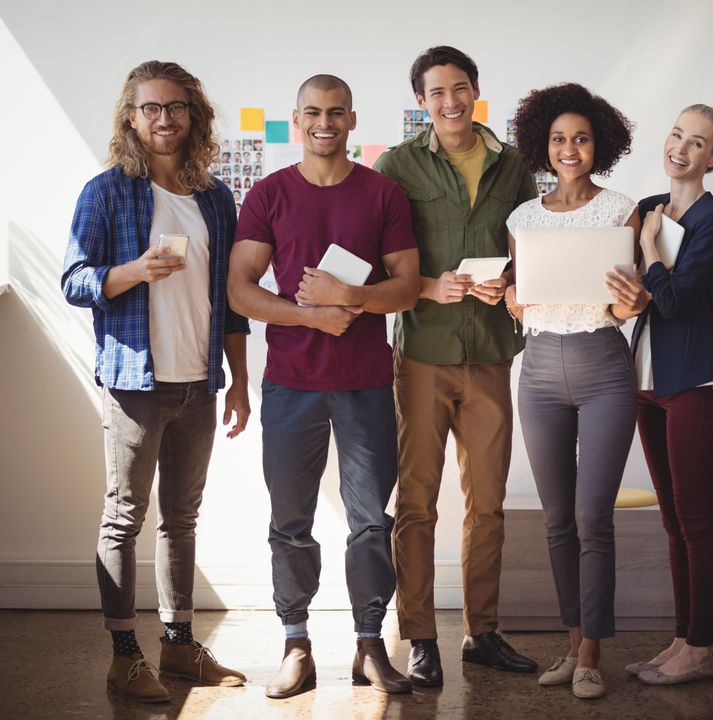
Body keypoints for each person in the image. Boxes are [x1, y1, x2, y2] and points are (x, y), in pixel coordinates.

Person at [61, 60, 250, 703]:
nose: (163, 118)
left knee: (182, 518)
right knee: (124, 518)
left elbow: (227, 301)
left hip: (200, 382)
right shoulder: (106, 192)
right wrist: (134, 270)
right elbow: (75, 282)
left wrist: (240, 379)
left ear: (193, 115)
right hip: (135, 382)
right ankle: (123, 655)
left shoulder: (216, 198)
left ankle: (178, 646)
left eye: (175, 107)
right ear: (131, 118)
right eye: (150, 108)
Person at [227, 74, 420, 698]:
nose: (325, 123)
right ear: (295, 119)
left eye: (337, 113)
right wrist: (312, 315)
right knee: (290, 521)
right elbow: (241, 290)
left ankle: (369, 647)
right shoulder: (268, 195)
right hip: (290, 385)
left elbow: (408, 286)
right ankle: (295, 645)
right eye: (313, 112)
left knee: (369, 522)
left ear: (353, 121)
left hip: (365, 383)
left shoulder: (383, 193)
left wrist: (352, 298)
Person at [373, 45, 539, 687]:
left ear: (476, 91)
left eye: (461, 87)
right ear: (421, 100)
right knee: (415, 502)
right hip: (421, 355)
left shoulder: (515, 166)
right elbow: (376, 260)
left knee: (488, 503)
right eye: (437, 91)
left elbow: (527, 247)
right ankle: (418, 636)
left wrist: (511, 281)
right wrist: (422, 288)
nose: (451, 101)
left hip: (492, 353)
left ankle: (483, 632)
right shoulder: (397, 165)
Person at [504, 82, 647, 700]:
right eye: (559, 139)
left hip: (602, 364)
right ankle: (570, 642)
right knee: (559, 517)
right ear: (543, 145)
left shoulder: (621, 210)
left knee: (593, 516)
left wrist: (633, 299)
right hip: (538, 368)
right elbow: (519, 298)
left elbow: (628, 297)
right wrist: (509, 299)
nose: (570, 149)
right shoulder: (523, 218)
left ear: (600, 145)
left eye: (581, 139)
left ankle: (592, 653)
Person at [625, 105, 713, 686]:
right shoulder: (647, 208)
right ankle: (681, 639)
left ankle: (701, 646)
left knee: (697, 521)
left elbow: (674, 300)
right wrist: (640, 260)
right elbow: (629, 294)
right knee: (672, 522)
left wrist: (648, 252)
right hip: (646, 380)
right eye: (676, 135)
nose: (682, 148)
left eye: (698, 143)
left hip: (693, 378)